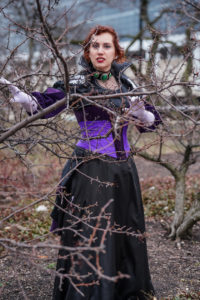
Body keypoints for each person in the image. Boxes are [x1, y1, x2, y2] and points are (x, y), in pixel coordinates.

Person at [0, 25, 161, 300]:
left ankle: (125, 290)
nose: (100, 50)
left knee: (127, 230)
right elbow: (43, 105)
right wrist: (16, 94)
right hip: (91, 169)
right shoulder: (76, 84)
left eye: (106, 46)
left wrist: (142, 114)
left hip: (125, 172)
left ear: (116, 52)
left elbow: (152, 123)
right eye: (95, 45)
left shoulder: (128, 85)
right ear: (87, 52)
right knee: (94, 234)